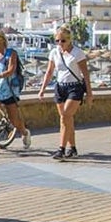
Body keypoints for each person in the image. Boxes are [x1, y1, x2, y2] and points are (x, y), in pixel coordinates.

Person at [36, 26, 91, 160]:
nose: (60, 44)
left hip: (75, 88)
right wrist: (42, 89)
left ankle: (61, 149)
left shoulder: (78, 53)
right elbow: (49, 72)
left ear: (69, 40)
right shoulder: (54, 53)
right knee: (66, 119)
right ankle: (72, 148)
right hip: (60, 87)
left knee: (65, 116)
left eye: (63, 41)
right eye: (57, 41)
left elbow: (85, 73)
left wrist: (89, 93)